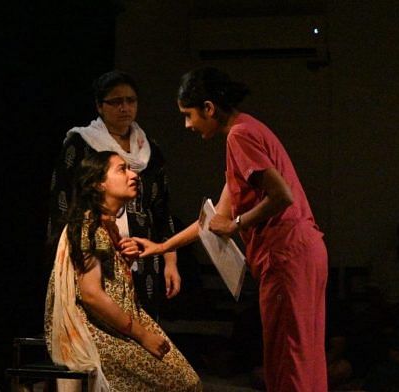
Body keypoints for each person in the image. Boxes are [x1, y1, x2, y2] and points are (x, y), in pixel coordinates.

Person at [133, 67, 329, 391]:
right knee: (298, 357)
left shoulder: (240, 134)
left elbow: (282, 195)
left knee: (290, 361)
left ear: (209, 108)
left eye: (188, 115)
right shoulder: (244, 133)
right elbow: (211, 222)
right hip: (300, 253)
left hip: (287, 254)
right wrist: (161, 247)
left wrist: (238, 223)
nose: (187, 125)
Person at [44, 151, 201, 391]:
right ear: (99, 183)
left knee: (188, 382)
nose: (133, 175)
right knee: (182, 384)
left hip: (121, 328)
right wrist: (143, 336)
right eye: (122, 169)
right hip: (103, 335)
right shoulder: (90, 226)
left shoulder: (108, 228)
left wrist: (122, 261)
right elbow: (92, 295)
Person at [47, 70, 180, 321]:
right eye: (116, 102)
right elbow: (62, 203)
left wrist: (170, 262)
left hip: (142, 253)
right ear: (100, 106)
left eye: (131, 101)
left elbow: (162, 209)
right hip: (95, 249)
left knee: (144, 324)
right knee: (102, 317)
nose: (125, 108)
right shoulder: (82, 144)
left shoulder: (150, 150)